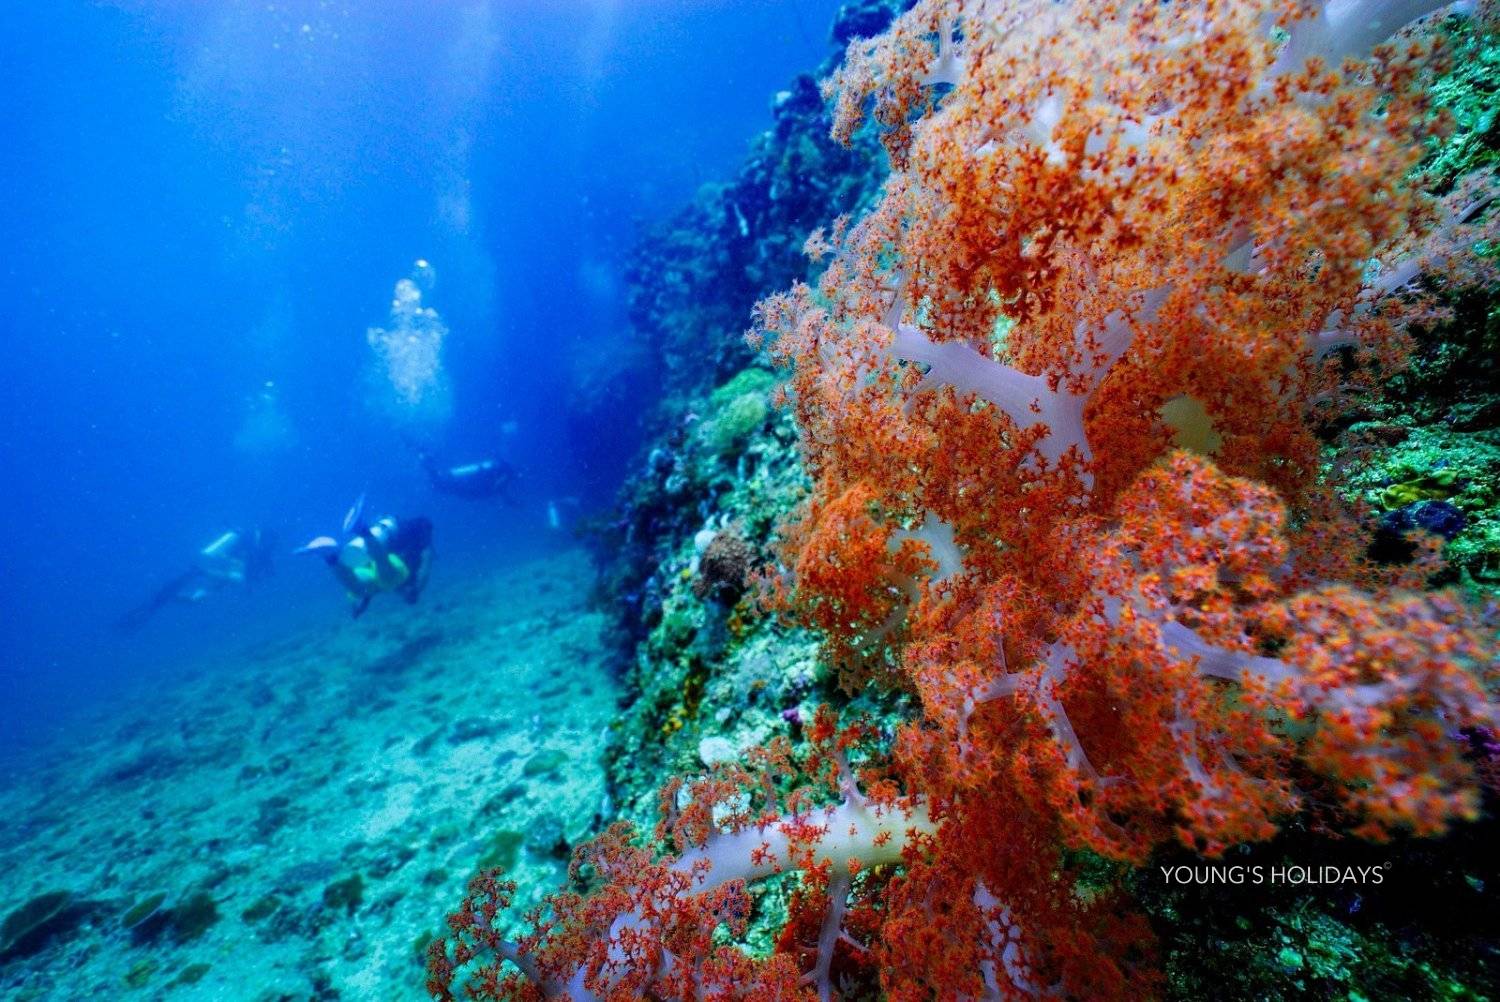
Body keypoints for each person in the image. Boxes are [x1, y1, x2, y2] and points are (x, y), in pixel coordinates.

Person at [116, 526, 276, 631]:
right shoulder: (250, 543)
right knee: (235, 579)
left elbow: (252, 569)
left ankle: (168, 597)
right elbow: (240, 567)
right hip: (221, 568)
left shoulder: (255, 546)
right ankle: (197, 575)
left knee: (196, 599)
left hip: (221, 570)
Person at [297, 496, 433, 617]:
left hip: (369, 564)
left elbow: (368, 592)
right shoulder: (416, 535)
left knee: (358, 588)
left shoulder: (403, 537)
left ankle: (330, 557)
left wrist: (360, 608)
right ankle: (362, 531)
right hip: (386, 565)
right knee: (388, 576)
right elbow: (425, 564)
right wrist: (417, 590)